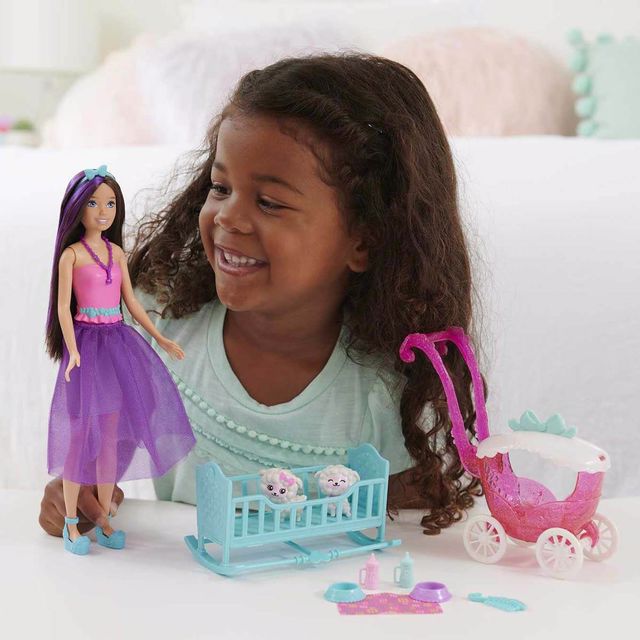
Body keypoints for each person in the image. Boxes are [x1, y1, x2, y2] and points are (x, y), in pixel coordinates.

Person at [39, 52, 482, 540]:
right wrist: (80, 493)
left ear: (364, 240)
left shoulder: (383, 394)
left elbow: (411, 537)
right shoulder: (159, 324)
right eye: (220, 187)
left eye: (269, 202)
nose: (228, 217)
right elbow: (103, 455)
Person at [43, 165, 196, 554]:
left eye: (110, 203)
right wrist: (72, 350)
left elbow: (131, 303)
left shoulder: (117, 254)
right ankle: (73, 524)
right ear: (78, 208)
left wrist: (160, 336)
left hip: (116, 343)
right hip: (86, 346)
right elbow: (63, 308)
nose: (103, 211)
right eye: (94, 203)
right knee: (81, 436)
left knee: (109, 436)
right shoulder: (71, 256)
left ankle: (105, 521)